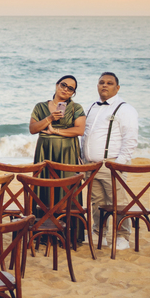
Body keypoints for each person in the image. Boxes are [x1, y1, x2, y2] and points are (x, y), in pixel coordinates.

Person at [80, 72, 139, 250]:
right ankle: (99, 233)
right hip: (91, 164)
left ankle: (123, 236)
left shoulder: (125, 109)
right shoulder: (91, 107)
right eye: (101, 82)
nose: (104, 85)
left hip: (111, 163)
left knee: (117, 200)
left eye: (109, 83)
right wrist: (83, 160)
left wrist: (118, 165)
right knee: (96, 201)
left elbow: (130, 139)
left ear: (117, 87)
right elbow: (85, 135)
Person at [29, 75, 87, 228]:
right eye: (63, 85)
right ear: (56, 85)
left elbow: (80, 130)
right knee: (43, 188)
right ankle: (41, 228)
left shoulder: (76, 108)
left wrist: (56, 131)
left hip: (67, 153)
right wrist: (49, 119)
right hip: (44, 152)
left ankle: (69, 231)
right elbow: (33, 129)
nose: (65, 89)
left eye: (70, 88)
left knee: (67, 189)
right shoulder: (40, 106)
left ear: (73, 93)